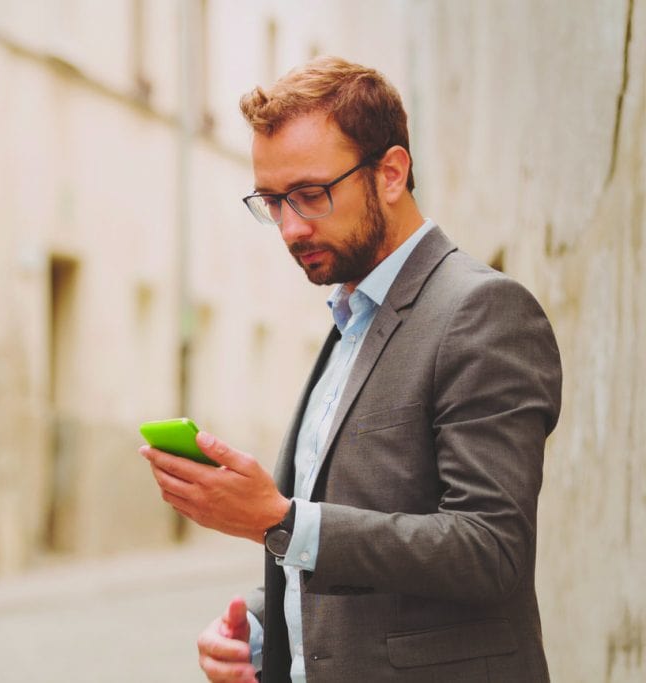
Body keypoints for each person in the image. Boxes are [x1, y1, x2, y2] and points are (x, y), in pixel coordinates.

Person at [140, 56, 562, 683]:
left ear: (391, 173)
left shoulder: (482, 311)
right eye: (272, 202)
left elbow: (490, 549)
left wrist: (278, 521)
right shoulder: (350, 319)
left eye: (310, 195)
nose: (290, 228)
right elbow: (356, 529)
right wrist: (259, 628)